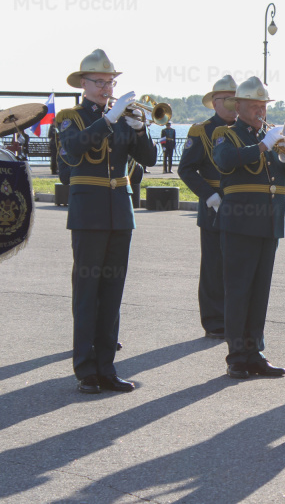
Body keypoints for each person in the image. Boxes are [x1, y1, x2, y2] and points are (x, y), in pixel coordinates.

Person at [57, 48, 157, 394]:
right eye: (99, 82)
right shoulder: (72, 117)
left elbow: (149, 159)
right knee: (87, 293)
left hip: (120, 211)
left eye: (110, 81)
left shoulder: (123, 114)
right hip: (88, 212)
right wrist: (109, 119)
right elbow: (72, 150)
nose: (105, 87)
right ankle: (86, 369)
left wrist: (141, 130)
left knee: (112, 294)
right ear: (83, 84)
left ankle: (106, 367)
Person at [212, 76, 285, 380]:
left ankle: (255, 352)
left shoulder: (271, 136)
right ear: (238, 107)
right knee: (239, 291)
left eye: (263, 106)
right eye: (254, 106)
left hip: (269, 221)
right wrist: (263, 145)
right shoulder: (228, 134)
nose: (260, 111)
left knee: (259, 292)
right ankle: (237, 356)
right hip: (239, 222)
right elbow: (225, 161)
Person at [177, 75, 237, 340]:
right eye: (227, 99)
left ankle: (235, 318)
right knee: (214, 267)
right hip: (214, 204)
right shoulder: (201, 131)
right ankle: (214, 322)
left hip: (242, 205)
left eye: (237, 99)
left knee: (239, 265)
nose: (233, 105)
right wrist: (209, 196)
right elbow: (186, 169)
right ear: (214, 102)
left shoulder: (244, 129)